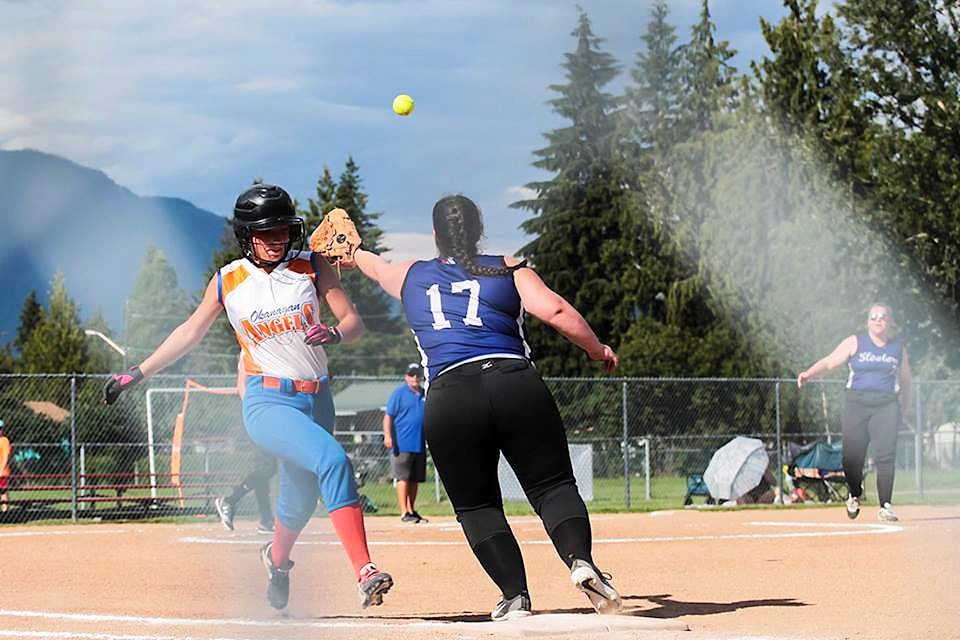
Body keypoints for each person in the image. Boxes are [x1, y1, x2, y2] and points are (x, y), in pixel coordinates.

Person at [103, 184, 393, 610]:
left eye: (283, 230)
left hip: (318, 398)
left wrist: (333, 332)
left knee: (300, 498)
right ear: (245, 236)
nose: (277, 239)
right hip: (267, 401)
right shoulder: (228, 281)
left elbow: (353, 322)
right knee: (333, 461)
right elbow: (190, 333)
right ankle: (366, 572)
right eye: (266, 232)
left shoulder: (312, 266)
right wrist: (138, 371)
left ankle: (276, 561)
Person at [352, 194, 622, 620]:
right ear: (480, 230)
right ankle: (581, 562)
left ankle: (515, 595)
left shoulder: (410, 275)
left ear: (436, 235)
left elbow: (374, 267)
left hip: (450, 396)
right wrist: (596, 348)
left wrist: (353, 252)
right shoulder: (507, 266)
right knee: (552, 486)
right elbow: (553, 308)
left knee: (478, 506)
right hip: (515, 383)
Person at [797, 303, 912, 522]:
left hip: (886, 405)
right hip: (856, 404)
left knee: (885, 455)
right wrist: (808, 373)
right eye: (874, 317)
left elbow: (906, 382)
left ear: (890, 322)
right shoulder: (855, 342)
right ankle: (854, 493)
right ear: (868, 321)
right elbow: (830, 361)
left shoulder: (897, 348)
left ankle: (885, 505)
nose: (878, 320)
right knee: (851, 457)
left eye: (883, 317)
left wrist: (904, 409)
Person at [216, 358, 278, 535]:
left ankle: (266, 520)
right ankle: (230, 501)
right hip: (257, 414)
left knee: (264, 470)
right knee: (267, 468)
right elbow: (243, 386)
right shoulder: (249, 350)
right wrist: (255, 415)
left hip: (266, 413)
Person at [383, 363, 427, 523]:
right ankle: (404, 512)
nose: (415, 377)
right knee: (403, 477)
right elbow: (388, 416)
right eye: (411, 374)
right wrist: (388, 436)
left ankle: (411, 510)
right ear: (406, 377)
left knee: (415, 479)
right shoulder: (399, 393)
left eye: (417, 374)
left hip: (419, 443)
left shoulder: (424, 393)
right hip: (402, 443)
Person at [0, 420, 11, 513]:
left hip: (2, 472)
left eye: (0, 428)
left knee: (3, 491)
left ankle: (5, 512)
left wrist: (1, 470)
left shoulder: (4, 440)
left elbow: (5, 457)